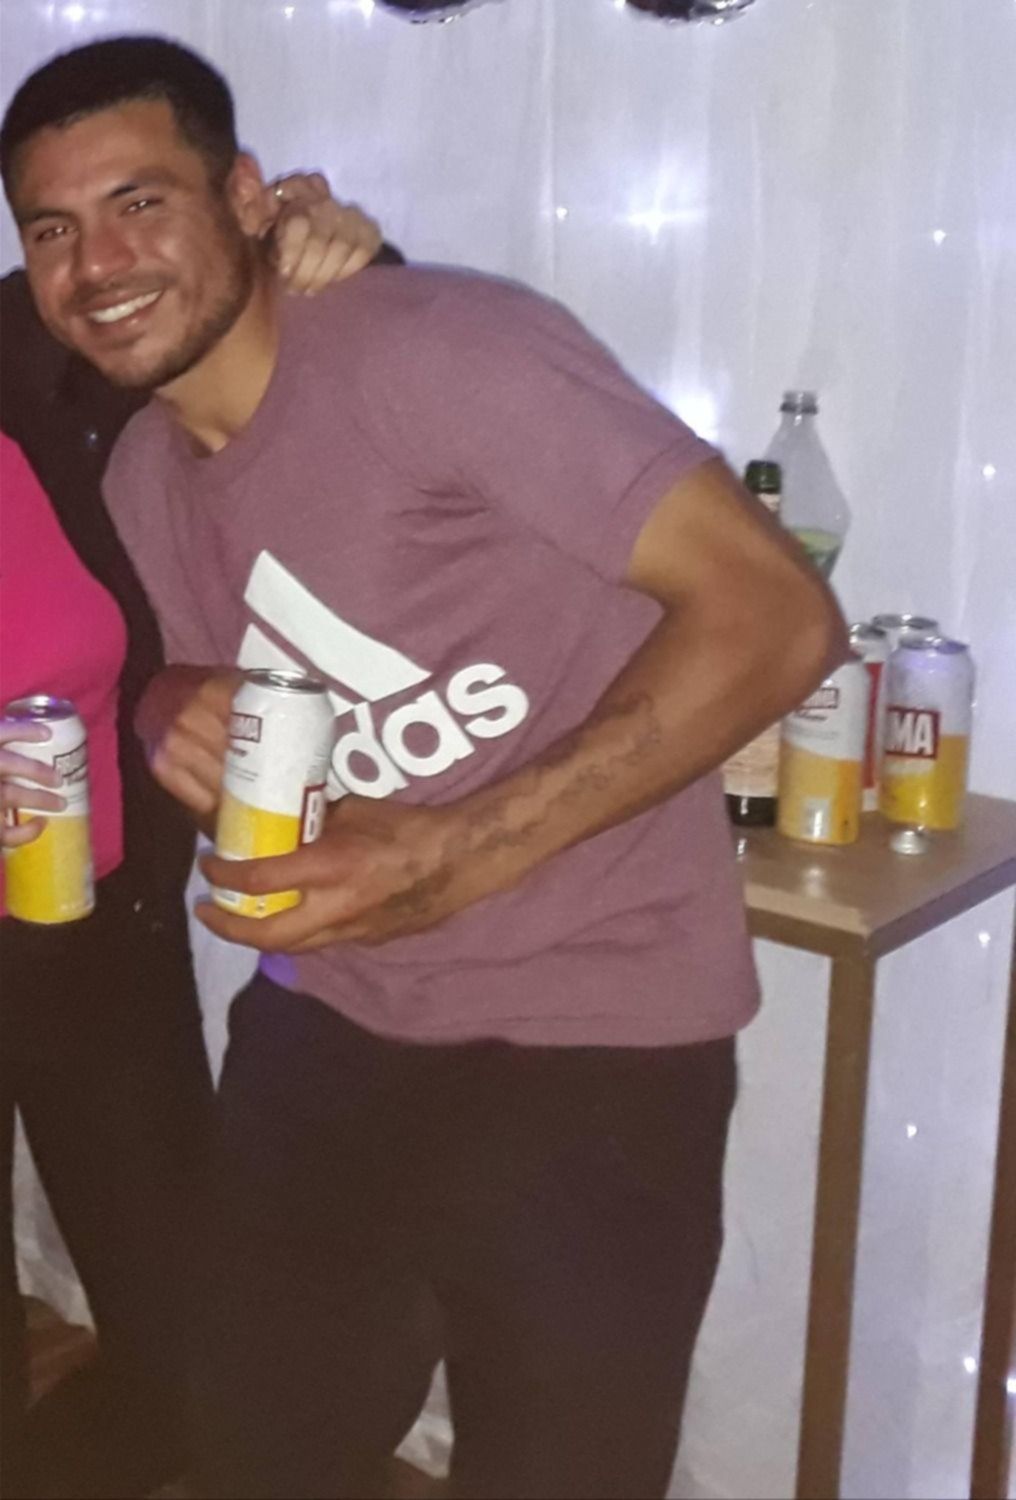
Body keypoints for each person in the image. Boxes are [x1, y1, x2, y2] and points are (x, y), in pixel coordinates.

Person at [1, 35, 848, 1500]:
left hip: (591, 1034)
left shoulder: (442, 351)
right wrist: (171, 705)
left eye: (141, 203)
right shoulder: (143, 471)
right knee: (256, 1446)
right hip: (324, 1029)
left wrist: (453, 854)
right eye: (54, 229)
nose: (99, 263)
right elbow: (214, 682)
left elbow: (778, 616)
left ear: (249, 197)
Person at [0, 162, 386, 1499]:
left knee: (177, 1324)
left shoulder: (29, 354)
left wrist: (327, 254)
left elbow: (202, 325)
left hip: (96, 916)